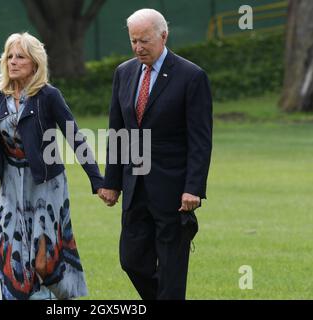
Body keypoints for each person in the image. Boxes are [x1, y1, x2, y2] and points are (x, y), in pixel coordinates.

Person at [0, 32, 103, 300]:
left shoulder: (48, 96)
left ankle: (65, 296)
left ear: (35, 63)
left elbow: (75, 137)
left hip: (45, 186)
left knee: (44, 263)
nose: (13, 62)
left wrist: (97, 180)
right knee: (14, 259)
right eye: (9, 56)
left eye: (20, 56)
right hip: (10, 187)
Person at [98, 9, 212, 300]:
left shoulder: (191, 76)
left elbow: (200, 139)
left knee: (172, 268)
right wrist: (111, 182)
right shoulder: (123, 73)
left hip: (174, 192)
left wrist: (193, 188)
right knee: (132, 261)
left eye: (144, 40)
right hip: (134, 188)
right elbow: (117, 132)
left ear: (164, 36)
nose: (138, 47)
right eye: (133, 41)